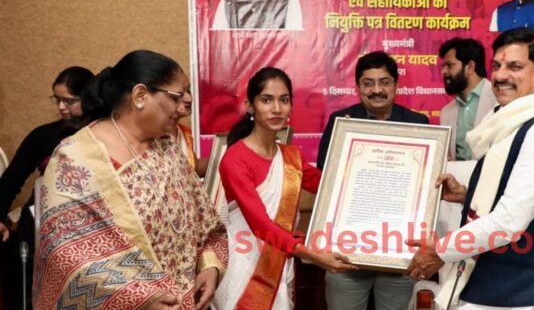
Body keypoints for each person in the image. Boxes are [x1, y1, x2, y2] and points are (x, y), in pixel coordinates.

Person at [35, 50, 228, 309]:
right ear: (140, 96)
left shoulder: (167, 147)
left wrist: (209, 267)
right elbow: (66, 256)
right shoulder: (75, 158)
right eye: (177, 96)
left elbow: (206, 225)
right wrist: (141, 299)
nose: (185, 105)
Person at [407, 28, 534, 309]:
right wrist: (467, 195)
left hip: (527, 288)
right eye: (497, 66)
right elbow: (516, 191)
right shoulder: (508, 120)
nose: (500, 76)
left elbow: (510, 220)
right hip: (492, 279)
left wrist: (440, 250)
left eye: (515, 67)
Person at [213, 67, 357, 309]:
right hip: (244, 267)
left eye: (284, 100)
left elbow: (332, 185)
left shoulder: (291, 157)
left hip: (280, 263)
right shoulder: (235, 159)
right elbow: (261, 225)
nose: (277, 108)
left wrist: (356, 149)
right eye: (266, 100)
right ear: (250, 106)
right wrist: (312, 255)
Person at [318, 51, 428, 310]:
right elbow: (325, 176)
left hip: (399, 249)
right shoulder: (340, 122)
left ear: (396, 85)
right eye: (368, 83)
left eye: (384, 82)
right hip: (347, 248)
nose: (377, 90)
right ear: (357, 87)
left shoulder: (418, 123)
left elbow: (425, 184)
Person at [0, 66, 93, 310]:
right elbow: (11, 179)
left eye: (69, 101)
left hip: (85, 230)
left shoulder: (103, 136)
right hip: (40, 225)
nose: (61, 107)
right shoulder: (44, 135)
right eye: (57, 99)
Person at [438, 37, 497, 160]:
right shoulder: (446, 112)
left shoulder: (499, 100)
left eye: (449, 65)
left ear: (470, 67)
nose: (443, 71)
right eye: (443, 66)